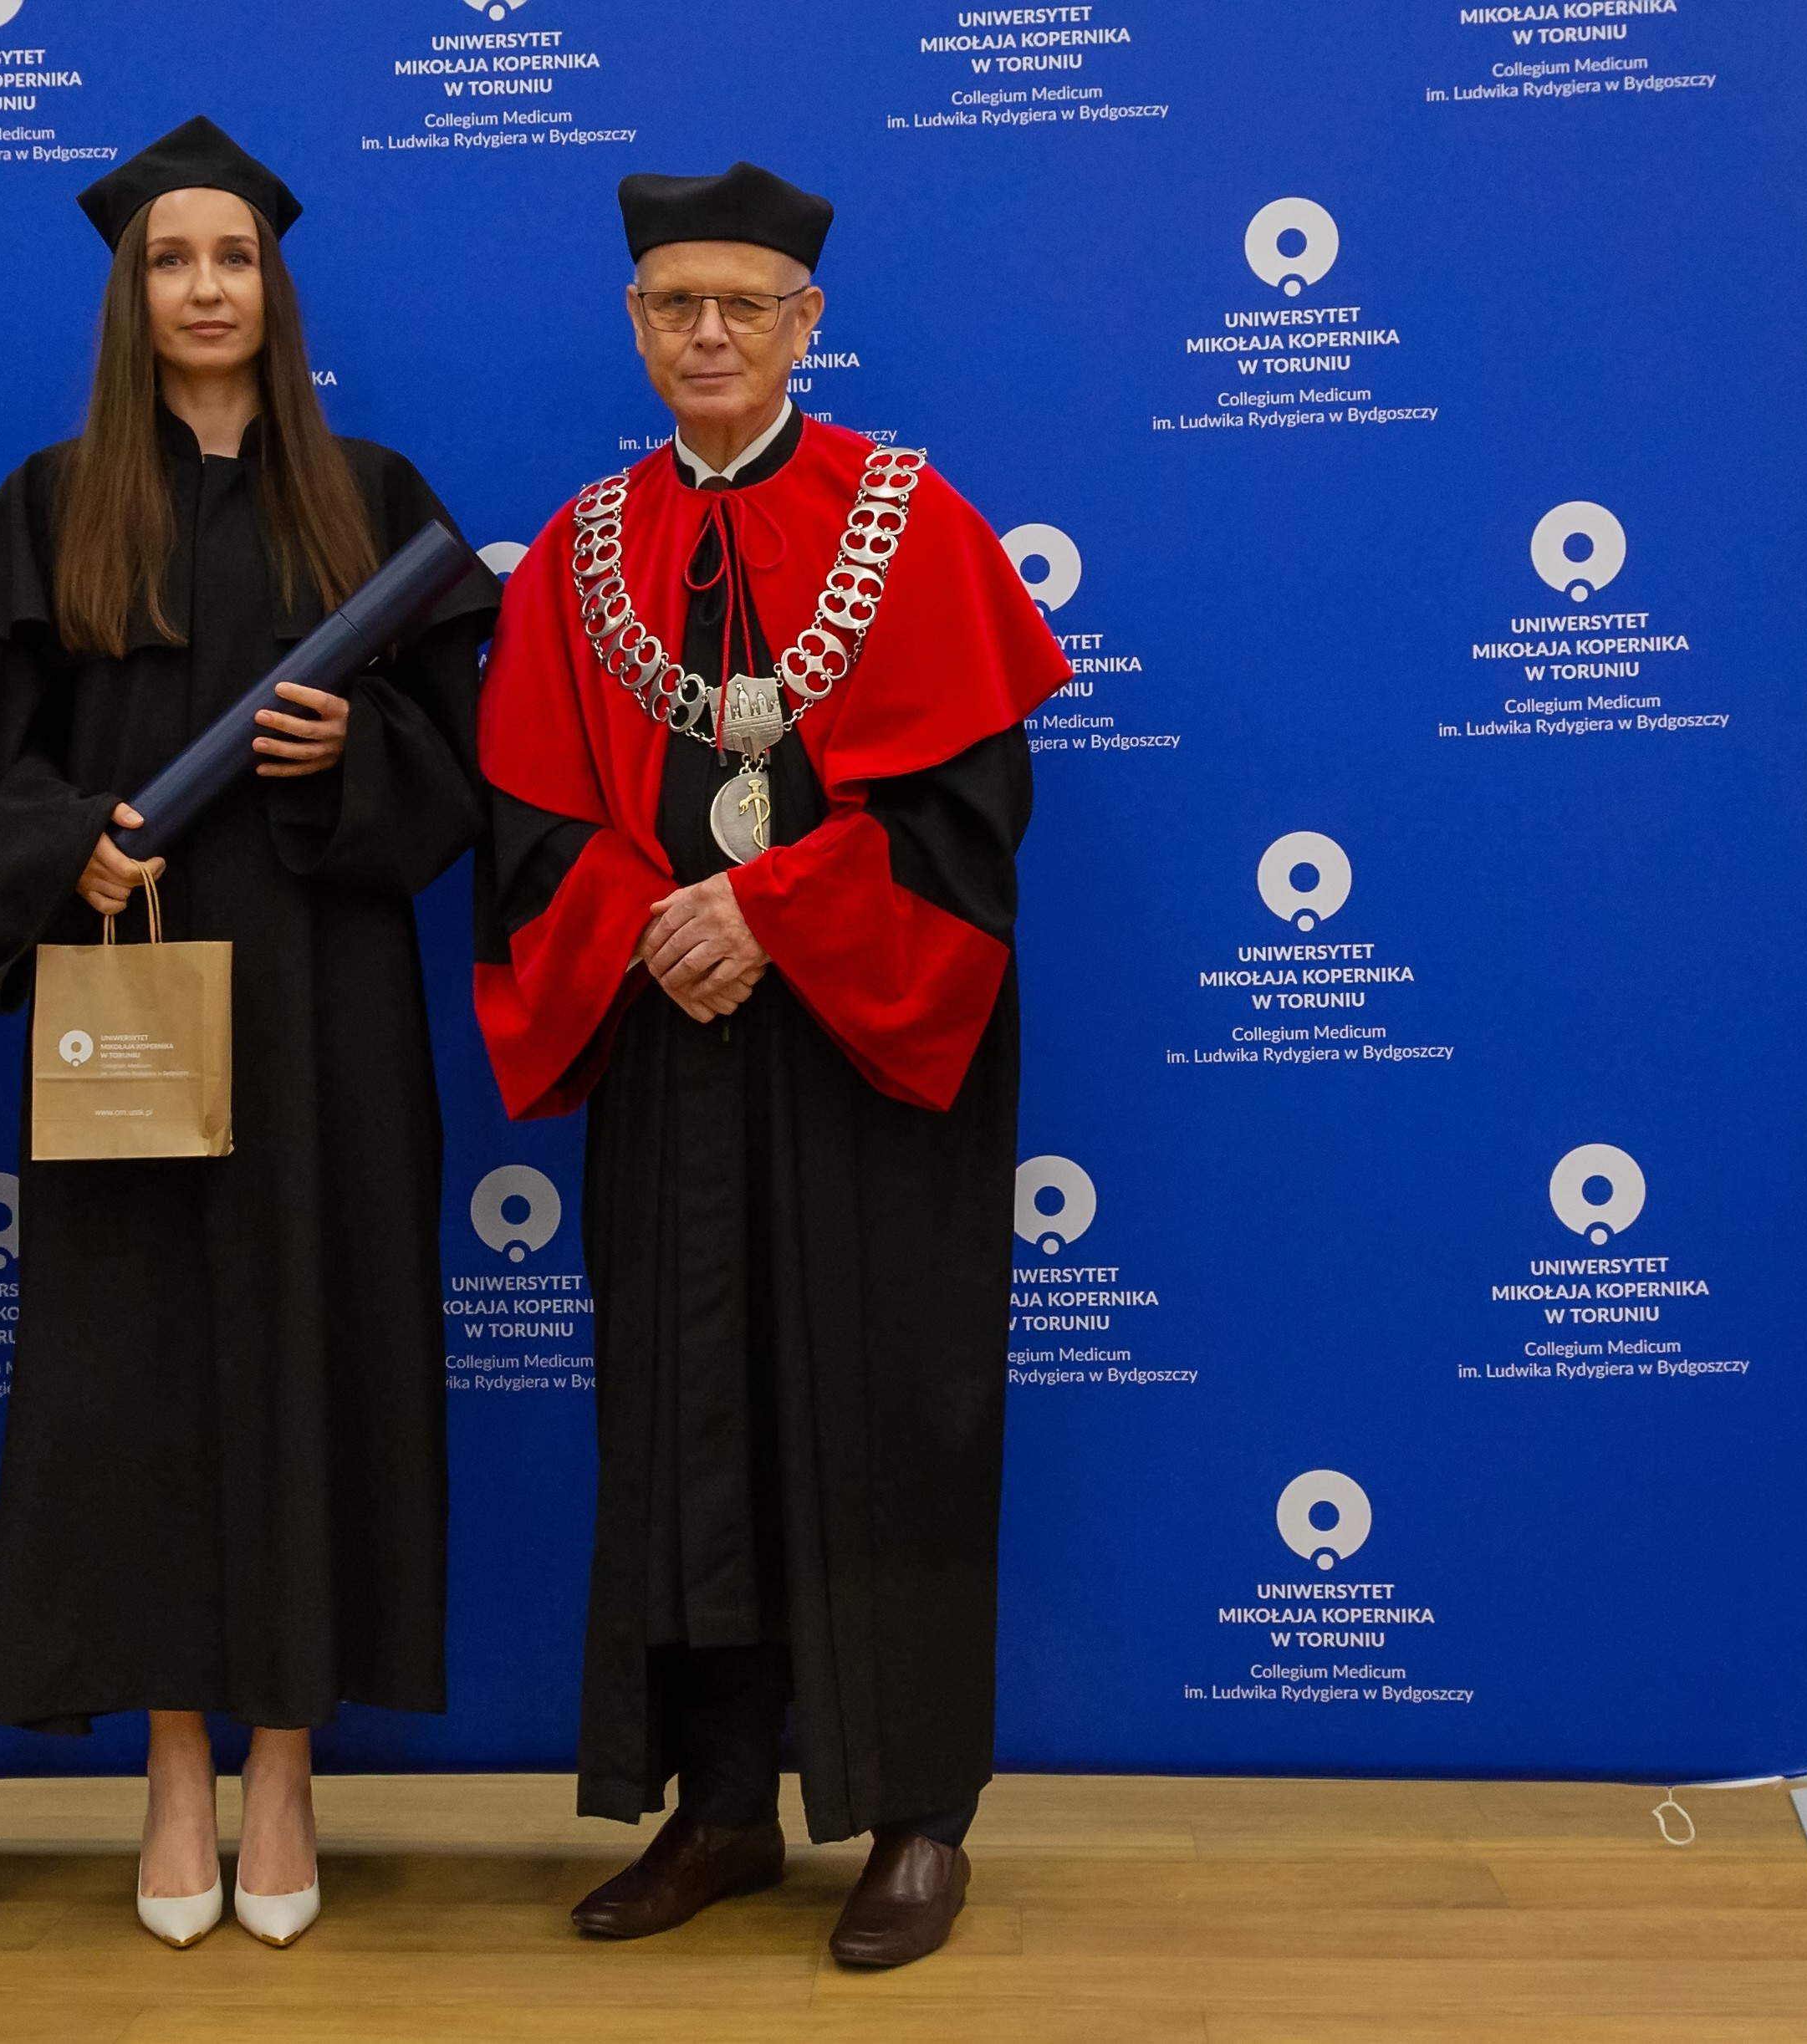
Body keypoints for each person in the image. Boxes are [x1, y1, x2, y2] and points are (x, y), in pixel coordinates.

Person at [470, 163, 1070, 1969]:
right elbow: (525, 822)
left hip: (872, 1046)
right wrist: (662, 926)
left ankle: (915, 1813)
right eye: (677, 304)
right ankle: (722, 1801)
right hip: (671, 1035)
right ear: (635, 324)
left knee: (891, 1411)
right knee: (688, 1416)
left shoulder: (911, 516)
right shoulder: (583, 546)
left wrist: (773, 910)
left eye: (745, 303)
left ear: (808, 321)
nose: (710, 332)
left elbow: (968, 812)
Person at [0, 115, 498, 1952]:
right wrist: (66, 852)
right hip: (129, 1003)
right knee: (136, 1379)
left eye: (233, 257)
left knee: (320, 1352)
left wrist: (355, 753)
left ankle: (285, 1761)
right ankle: (173, 1760)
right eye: (171, 260)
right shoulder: (49, 507)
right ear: (131, 293)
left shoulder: (373, 504)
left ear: (275, 286)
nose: (203, 287)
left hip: (326, 1009)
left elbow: (466, 780)